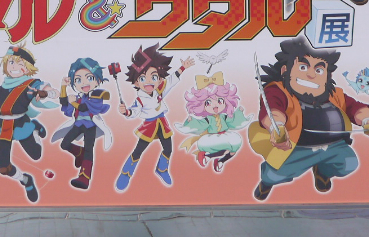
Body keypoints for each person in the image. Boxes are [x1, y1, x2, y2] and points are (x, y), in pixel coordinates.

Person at [248, 37, 369, 201]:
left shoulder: (334, 94)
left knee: (349, 163)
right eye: (303, 67)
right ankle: (266, 183)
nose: (311, 75)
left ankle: (322, 171)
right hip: (296, 148)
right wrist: (277, 127)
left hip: (333, 146)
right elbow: (272, 109)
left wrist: (367, 120)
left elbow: (354, 107)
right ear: (285, 70)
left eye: (319, 70)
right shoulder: (278, 91)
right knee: (274, 175)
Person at [0, 44, 55, 203]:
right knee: (3, 168)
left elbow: (52, 91)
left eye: (19, 63)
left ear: (27, 68)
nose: (14, 66)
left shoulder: (32, 83)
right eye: (11, 62)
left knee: (36, 155)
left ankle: (35, 128)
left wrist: (45, 93)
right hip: (2, 126)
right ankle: (26, 180)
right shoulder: (1, 88)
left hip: (21, 123)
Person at [114, 45, 193, 191]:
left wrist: (183, 68)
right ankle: (126, 173)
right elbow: (134, 111)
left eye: (154, 77)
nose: (149, 81)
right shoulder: (140, 99)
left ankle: (162, 169)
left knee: (168, 149)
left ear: (159, 78)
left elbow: (171, 80)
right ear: (136, 82)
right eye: (142, 78)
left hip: (162, 123)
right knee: (138, 151)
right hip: (149, 126)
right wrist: (126, 112)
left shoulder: (159, 89)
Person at [51, 57, 113, 190]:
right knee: (64, 144)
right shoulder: (79, 97)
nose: (84, 83)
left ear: (97, 80)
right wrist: (63, 86)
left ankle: (84, 178)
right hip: (78, 124)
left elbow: (84, 108)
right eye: (78, 80)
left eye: (89, 78)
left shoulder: (97, 94)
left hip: (91, 126)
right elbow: (64, 103)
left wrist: (73, 102)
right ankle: (79, 152)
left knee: (89, 150)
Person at [177, 71, 251, 172]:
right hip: (213, 138)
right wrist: (190, 121)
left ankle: (219, 161)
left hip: (226, 135)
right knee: (226, 149)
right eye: (208, 102)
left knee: (232, 150)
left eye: (220, 101)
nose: (215, 105)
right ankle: (208, 157)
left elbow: (233, 120)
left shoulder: (224, 117)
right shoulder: (208, 119)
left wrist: (239, 112)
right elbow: (200, 124)